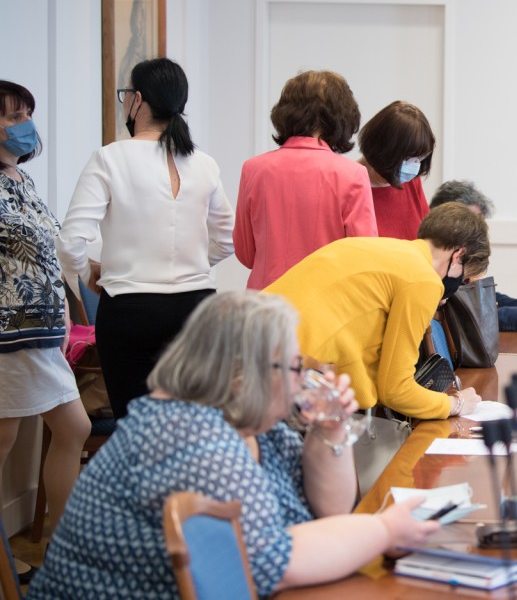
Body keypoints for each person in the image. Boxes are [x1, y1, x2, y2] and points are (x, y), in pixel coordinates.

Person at [28, 291, 439, 599]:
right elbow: (271, 563)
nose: (303, 381)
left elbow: (330, 511)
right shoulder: (189, 435)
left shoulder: (251, 423)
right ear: (243, 374)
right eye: (295, 367)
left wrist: (330, 430)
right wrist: (384, 529)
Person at [57, 58, 235, 419]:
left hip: (130, 311)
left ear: (137, 99)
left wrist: (87, 277)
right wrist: (190, 263)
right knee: (194, 425)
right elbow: (227, 239)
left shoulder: (109, 158)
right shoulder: (204, 163)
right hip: (197, 308)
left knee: (135, 427)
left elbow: (70, 241)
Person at [265, 202, 489, 420]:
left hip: (255, 342)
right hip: (285, 377)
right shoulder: (424, 280)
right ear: (458, 255)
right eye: (463, 277)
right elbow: (396, 390)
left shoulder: (379, 248)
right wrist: (456, 403)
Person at [0, 82, 90, 553]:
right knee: (5, 437)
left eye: (27, 114)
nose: (25, 124)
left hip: (42, 331)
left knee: (73, 428)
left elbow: (50, 250)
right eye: (13, 116)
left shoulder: (22, 180)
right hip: (10, 333)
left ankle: (64, 547)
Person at [234, 70, 376, 290]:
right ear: (341, 117)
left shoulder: (253, 170)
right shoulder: (353, 175)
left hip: (265, 301)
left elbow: (246, 254)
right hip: (326, 300)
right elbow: (364, 258)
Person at [429, 180, 517, 331]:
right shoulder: (437, 264)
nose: (479, 233)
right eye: (472, 223)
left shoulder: (458, 258)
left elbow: (486, 299)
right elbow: (461, 316)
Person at [357, 100, 434, 240]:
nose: (414, 166)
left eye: (420, 158)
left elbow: (427, 239)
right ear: (384, 151)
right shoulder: (350, 185)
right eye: (408, 158)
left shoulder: (411, 182)